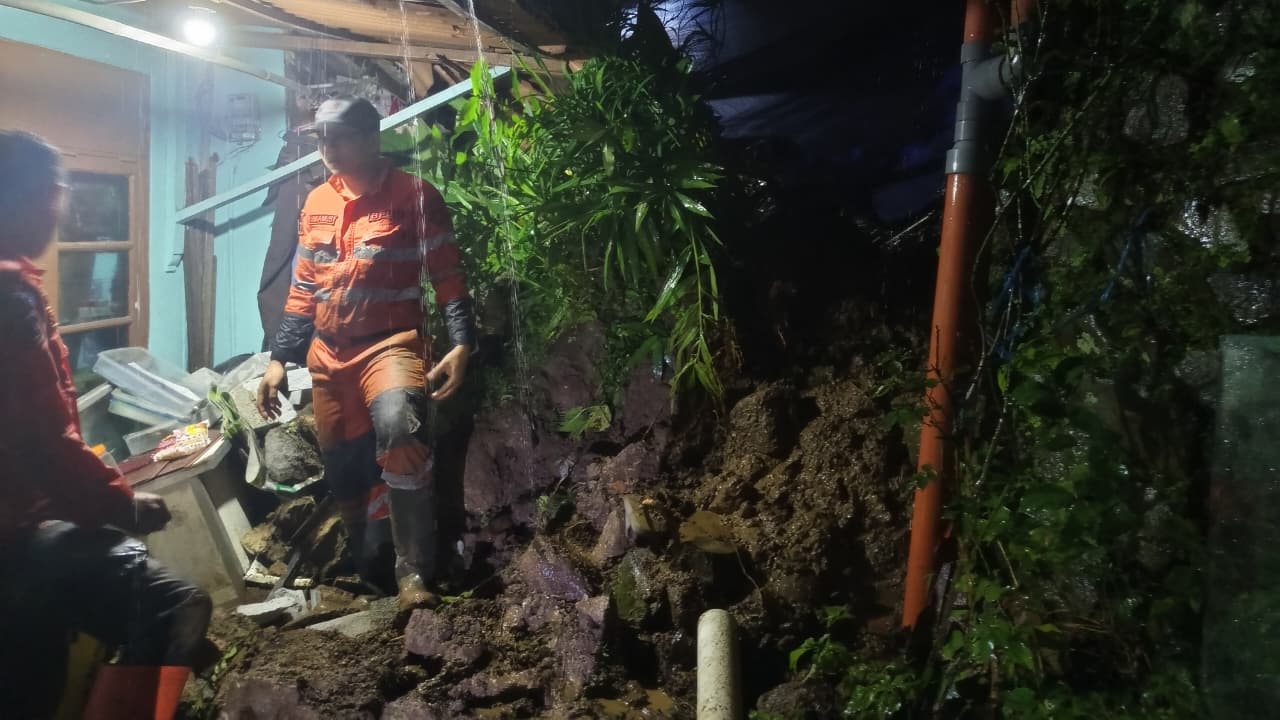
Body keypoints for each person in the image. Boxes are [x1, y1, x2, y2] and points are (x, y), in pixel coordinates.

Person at [0, 130, 212, 717]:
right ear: (27, 198)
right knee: (178, 607)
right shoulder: (10, 303)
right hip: (16, 538)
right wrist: (120, 506)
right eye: (56, 192)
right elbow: (43, 442)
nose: (61, 209)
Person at [256, 97, 476, 611]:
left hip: (391, 345)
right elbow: (303, 287)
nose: (328, 148)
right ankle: (369, 570)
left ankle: (413, 576)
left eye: (340, 137)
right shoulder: (315, 203)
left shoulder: (414, 196)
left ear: (372, 139)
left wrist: (462, 342)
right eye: (322, 139)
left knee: (400, 426)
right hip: (328, 356)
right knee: (345, 465)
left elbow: (446, 275)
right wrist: (277, 360)